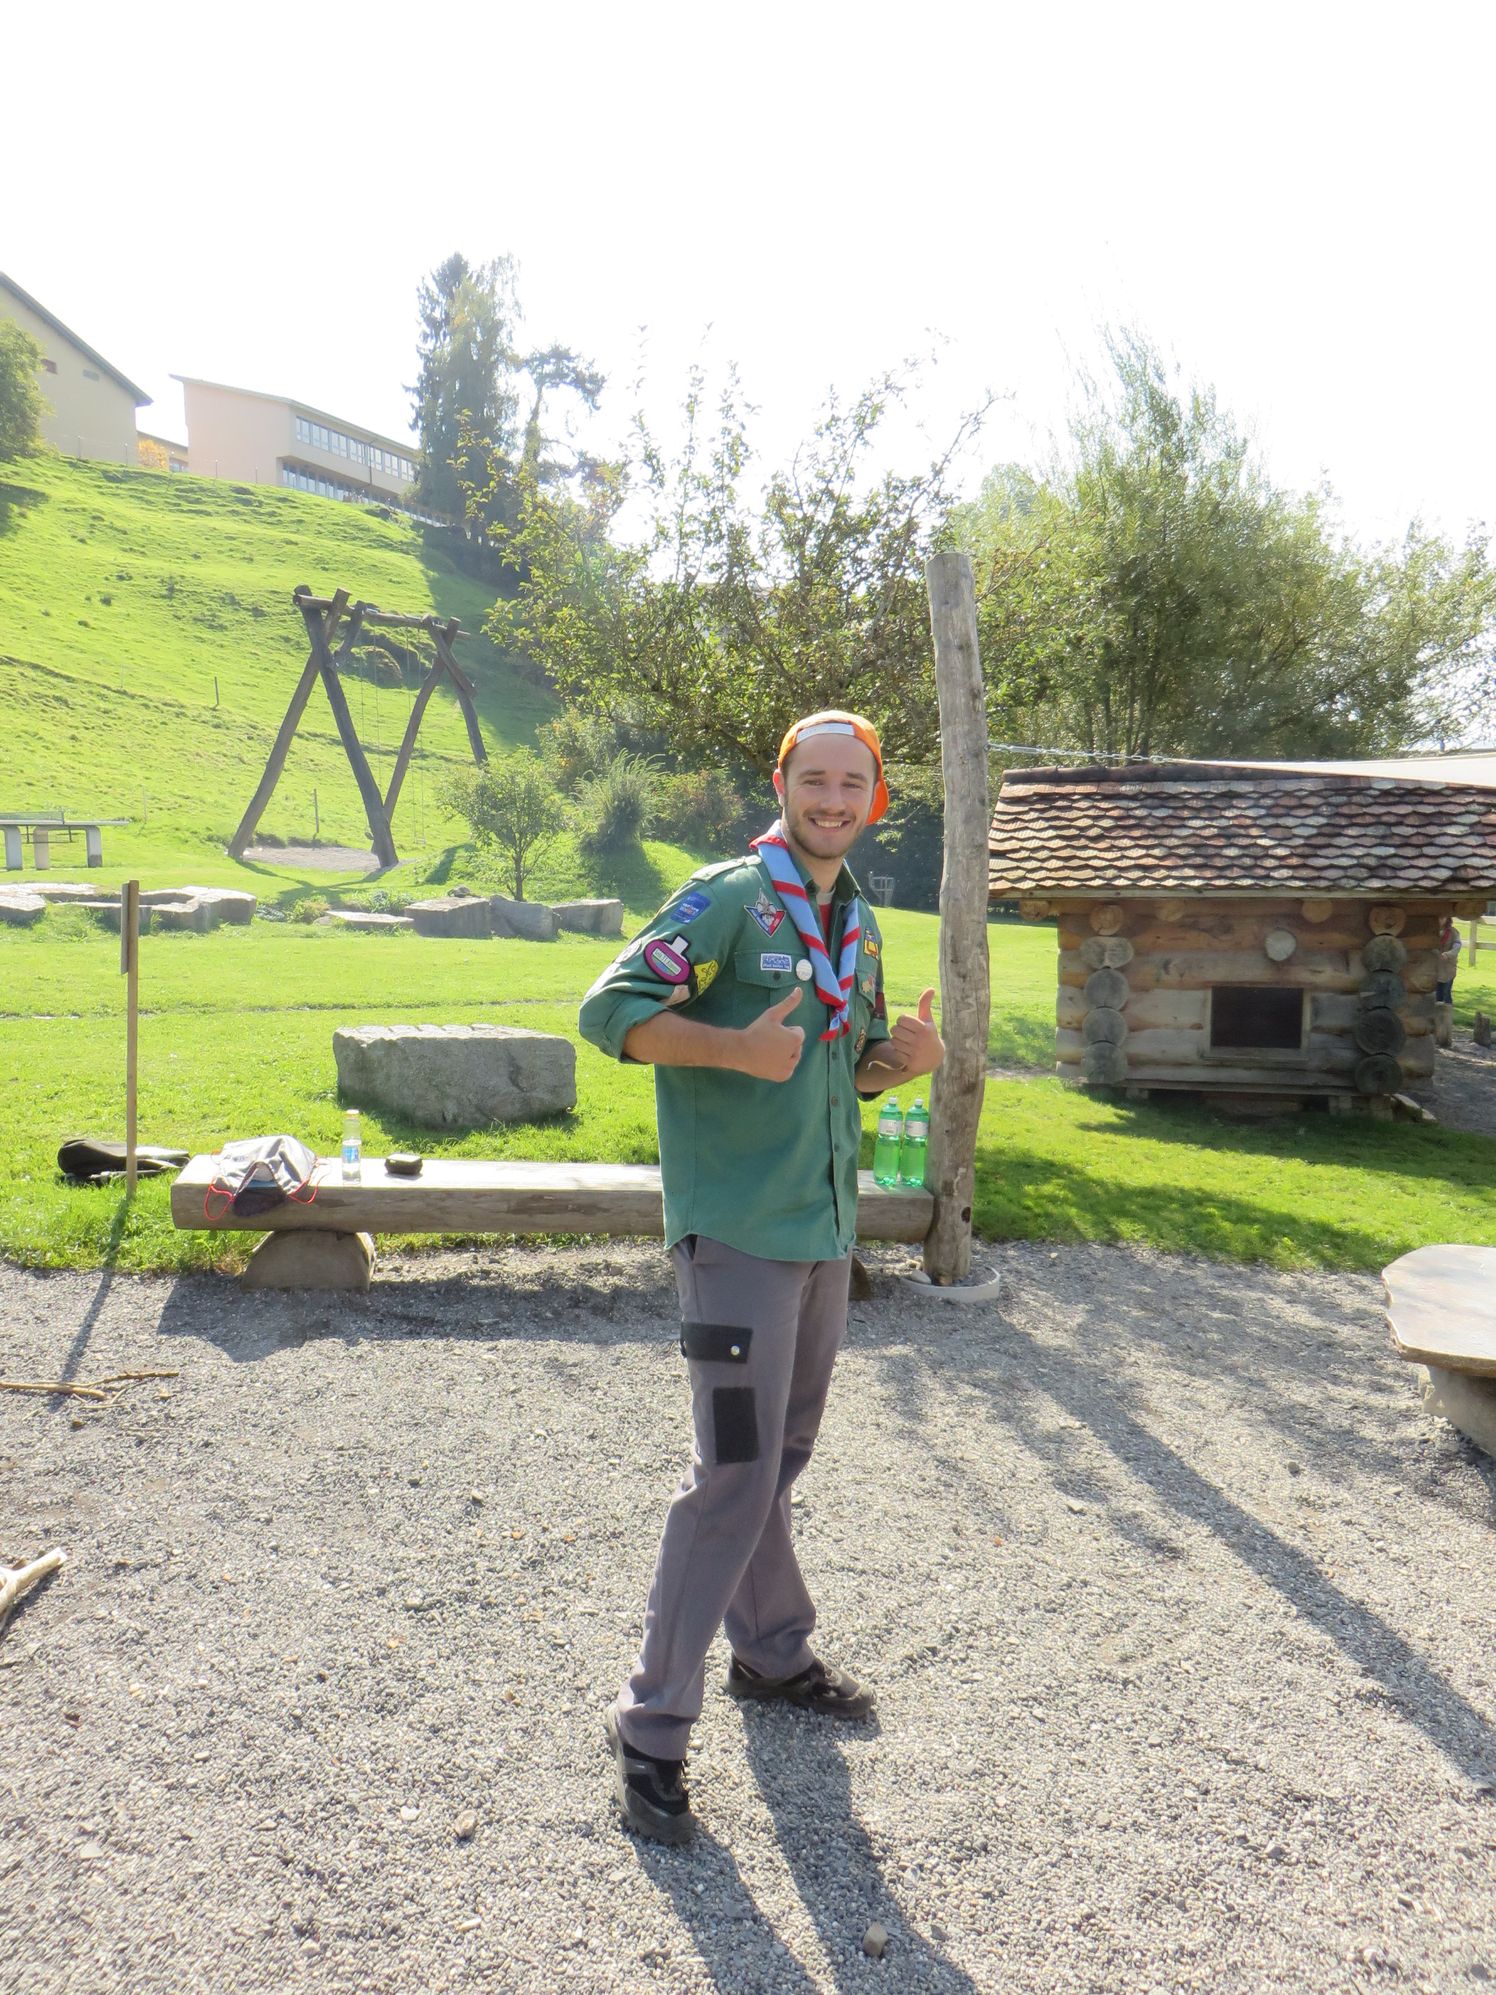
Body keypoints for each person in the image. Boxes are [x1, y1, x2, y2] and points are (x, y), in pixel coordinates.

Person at [578, 710, 946, 1844]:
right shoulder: (729, 899)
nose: (832, 800)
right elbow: (609, 1011)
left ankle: (772, 1656)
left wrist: (902, 1063)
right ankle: (649, 1727)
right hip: (735, 1233)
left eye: (852, 785)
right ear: (782, 783)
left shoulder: (858, 919)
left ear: (875, 799)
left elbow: (848, 1062)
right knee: (731, 1475)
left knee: (778, 1456)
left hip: (821, 1232)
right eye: (814, 780)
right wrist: (731, 1046)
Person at [1436, 914, 1459, 1004]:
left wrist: (1448, 954)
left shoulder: (1453, 932)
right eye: (1438, 918)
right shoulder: (1432, 931)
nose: (1440, 920)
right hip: (1435, 968)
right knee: (1437, 995)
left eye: (1442, 918)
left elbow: (1457, 946)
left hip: (1448, 968)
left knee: (1446, 994)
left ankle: (1447, 1011)